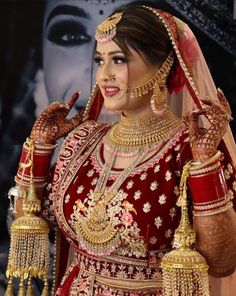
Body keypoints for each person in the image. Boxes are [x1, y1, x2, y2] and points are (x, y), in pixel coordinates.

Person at [5, 5, 236, 296]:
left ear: (163, 65)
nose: (103, 75)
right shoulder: (83, 141)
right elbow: (29, 223)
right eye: (100, 61)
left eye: (118, 60)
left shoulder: (191, 151)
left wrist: (204, 165)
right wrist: (38, 149)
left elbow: (221, 262)